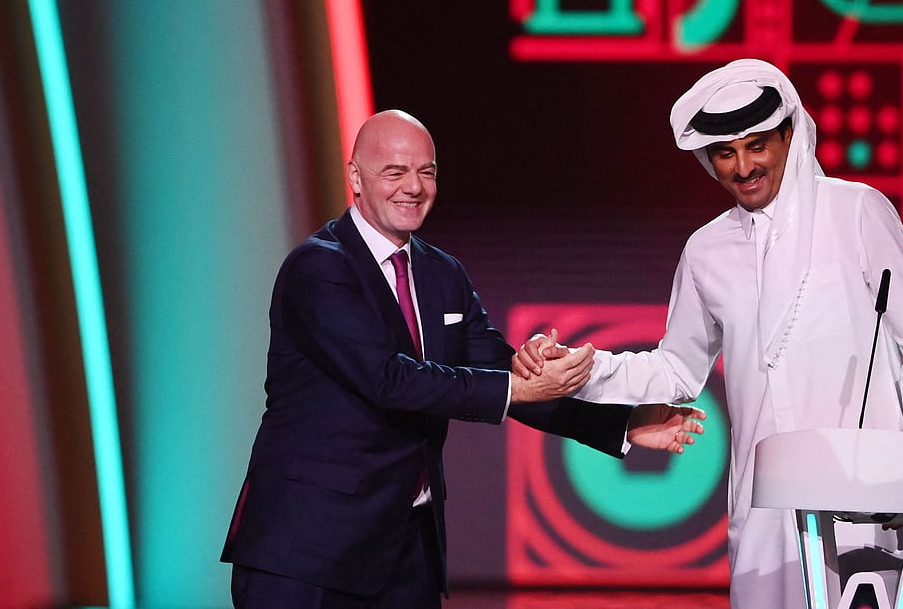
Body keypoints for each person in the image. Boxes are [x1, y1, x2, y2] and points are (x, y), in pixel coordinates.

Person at [221, 110, 706, 608]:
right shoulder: (319, 267)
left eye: (426, 172)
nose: (413, 187)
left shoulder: (441, 273)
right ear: (355, 178)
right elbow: (390, 381)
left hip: (407, 551)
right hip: (306, 551)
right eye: (394, 172)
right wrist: (518, 386)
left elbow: (502, 373)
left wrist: (620, 423)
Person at [516, 59, 903, 607]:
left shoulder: (858, 212)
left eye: (756, 146)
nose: (744, 167)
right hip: (765, 510)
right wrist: (586, 369)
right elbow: (675, 369)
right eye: (726, 153)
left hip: (868, 500)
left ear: (788, 137)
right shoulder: (706, 250)